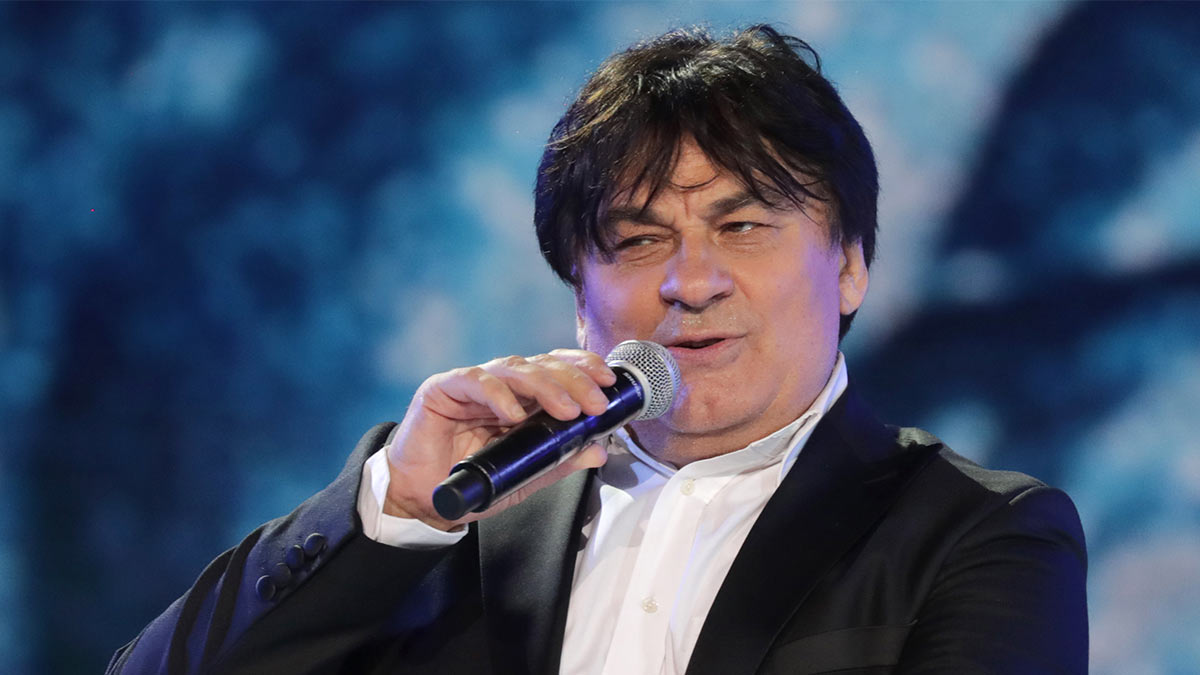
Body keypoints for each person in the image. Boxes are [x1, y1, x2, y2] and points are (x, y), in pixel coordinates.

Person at [108, 25, 1087, 675]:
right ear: (580, 296)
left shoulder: (979, 535)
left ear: (852, 267)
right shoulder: (461, 507)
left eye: (743, 226)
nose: (690, 281)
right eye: (639, 239)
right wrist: (394, 510)